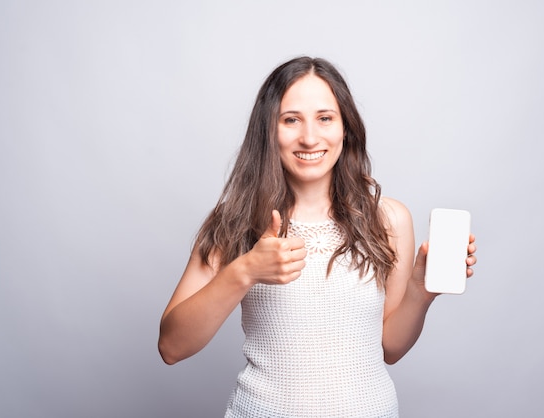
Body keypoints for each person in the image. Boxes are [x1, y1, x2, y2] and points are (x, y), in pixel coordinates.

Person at [158, 56, 477, 417]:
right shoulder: (236, 220)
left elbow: (390, 347)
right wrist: (244, 271)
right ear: (269, 130)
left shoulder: (389, 219)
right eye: (291, 120)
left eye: (325, 118)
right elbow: (172, 347)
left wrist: (420, 293)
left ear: (345, 128)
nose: (310, 138)